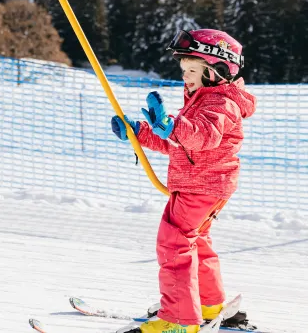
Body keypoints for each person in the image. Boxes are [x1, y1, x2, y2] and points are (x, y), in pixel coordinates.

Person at [110, 29, 257, 333]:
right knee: (195, 241)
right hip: (205, 184)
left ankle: (179, 318)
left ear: (216, 70)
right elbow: (178, 143)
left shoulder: (221, 103)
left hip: (201, 185)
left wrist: (171, 125)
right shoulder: (204, 99)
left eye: (192, 70)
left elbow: (202, 136)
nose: (185, 76)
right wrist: (140, 132)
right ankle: (208, 305)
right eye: (183, 70)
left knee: (174, 243)